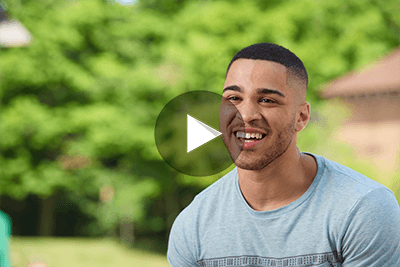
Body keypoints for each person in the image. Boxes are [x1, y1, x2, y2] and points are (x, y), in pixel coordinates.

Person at [167, 43, 400, 267]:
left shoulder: (363, 209)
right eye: (234, 98)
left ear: (301, 117)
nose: (245, 115)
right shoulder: (194, 224)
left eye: (267, 100)